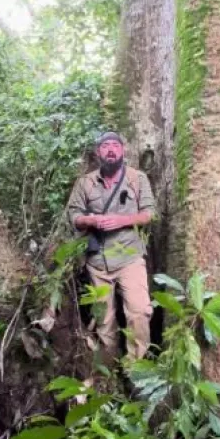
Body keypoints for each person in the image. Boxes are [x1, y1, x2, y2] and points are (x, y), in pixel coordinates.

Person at [68, 131, 155, 362]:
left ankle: (136, 367)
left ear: (122, 150)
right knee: (104, 319)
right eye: (105, 145)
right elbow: (73, 215)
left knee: (139, 311)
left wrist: (122, 220)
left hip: (129, 255)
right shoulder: (85, 183)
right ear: (98, 152)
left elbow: (149, 214)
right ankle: (109, 366)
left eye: (115, 145)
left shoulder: (137, 179)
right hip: (97, 260)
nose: (110, 149)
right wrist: (90, 220)